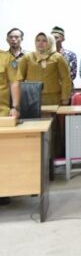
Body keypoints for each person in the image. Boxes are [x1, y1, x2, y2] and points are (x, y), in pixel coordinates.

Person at [19, 32, 72, 106]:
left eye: (44, 41)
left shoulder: (58, 57)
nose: (40, 43)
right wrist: (18, 97)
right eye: (38, 40)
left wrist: (65, 98)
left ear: (50, 42)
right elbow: (19, 78)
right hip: (32, 97)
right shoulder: (27, 57)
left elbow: (65, 78)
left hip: (54, 97)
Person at [0, 50, 21, 204]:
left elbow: (14, 82)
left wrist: (15, 106)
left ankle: (3, 191)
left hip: (1, 113)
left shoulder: (6, 58)